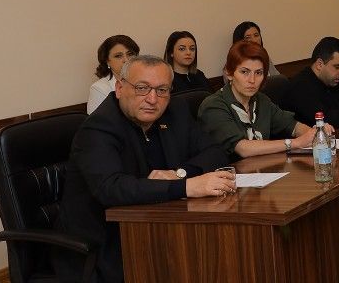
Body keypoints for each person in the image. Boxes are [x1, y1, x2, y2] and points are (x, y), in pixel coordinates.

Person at [57, 56, 232, 282]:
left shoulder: (175, 111)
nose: (152, 99)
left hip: (162, 227)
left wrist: (180, 174)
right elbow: (111, 188)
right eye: (141, 88)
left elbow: (216, 151)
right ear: (120, 88)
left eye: (162, 90)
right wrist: (186, 187)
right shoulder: (98, 128)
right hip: (106, 246)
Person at [198, 41, 325, 161]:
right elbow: (243, 148)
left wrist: (316, 133)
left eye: (258, 73)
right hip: (230, 173)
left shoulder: (261, 100)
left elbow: (292, 125)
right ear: (229, 73)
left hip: (263, 168)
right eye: (244, 72)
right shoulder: (213, 105)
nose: (252, 80)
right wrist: (295, 143)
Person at [88, 35, 139, 113]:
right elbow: (96, 120)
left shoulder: (146, 80)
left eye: (130, 54)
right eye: (118, 56)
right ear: (107, 61)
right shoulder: (99, 88)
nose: (126, 60)